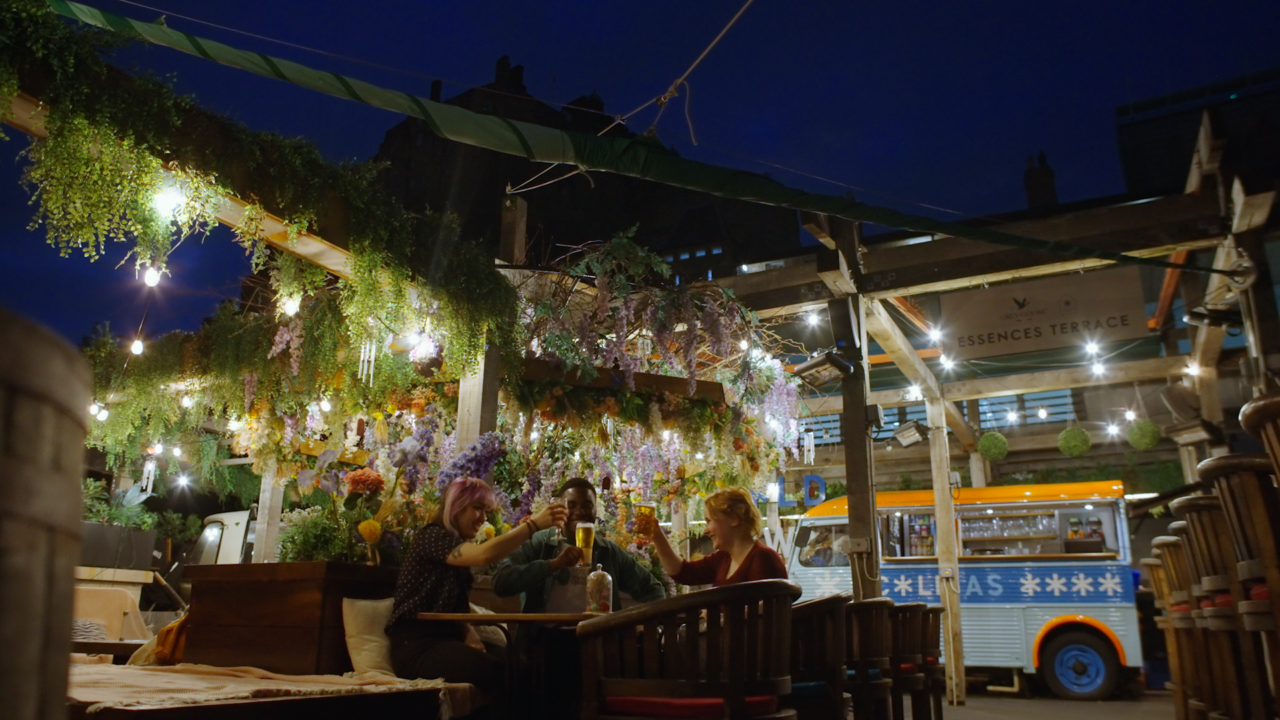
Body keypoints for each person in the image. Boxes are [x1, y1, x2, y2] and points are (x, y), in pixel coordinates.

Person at [385, 476, 566, 717]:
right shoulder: (432, 537)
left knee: (523, 666)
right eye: (477, 509)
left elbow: (456, 607)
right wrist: (533, 525)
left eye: (486, 511)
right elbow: (483, 556)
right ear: (457, 507)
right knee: (498, 671)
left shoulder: (454, 544)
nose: (483, 518)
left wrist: (470, 635)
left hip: (446, 640)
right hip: (416, 647)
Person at [493, 477, 666, 615]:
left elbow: (653, 588)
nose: (579, 512)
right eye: (571, 506)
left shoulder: (607, 551)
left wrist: (647, 625)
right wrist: (552, 565)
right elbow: (501, 582)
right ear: (560, 509)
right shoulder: (539, 543)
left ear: (595, 512)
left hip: (596, 642)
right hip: (545, 642)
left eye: (587, 506)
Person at [645, 486, 788, 587]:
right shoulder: (723, 558)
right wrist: (657, 535)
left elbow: (766, 614)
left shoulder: (763, 558)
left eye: (710, 521)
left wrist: (719, 615)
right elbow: (683, 573)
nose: (705, 531)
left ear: (733, 519)